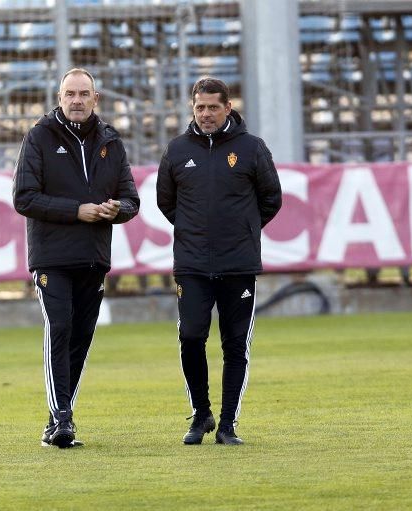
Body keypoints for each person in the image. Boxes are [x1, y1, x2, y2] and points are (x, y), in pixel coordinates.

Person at [13, 68, 140, 448]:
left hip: (93, 257)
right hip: (51, 256)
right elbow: (24, 198)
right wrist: (77, 210)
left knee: (81, 337)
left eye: (84, 94)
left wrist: (117, 209)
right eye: (70, 94)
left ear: (95, 98)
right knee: (60, 327)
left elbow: (132, 199)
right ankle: (63, 418)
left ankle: (56, 420)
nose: (77, 100)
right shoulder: (38, 137)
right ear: (59, 97)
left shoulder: (111, 141)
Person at [156, 77, 282, 445]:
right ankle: (201, 414)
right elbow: (168, 203)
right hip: (192, 264)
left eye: (213, 107)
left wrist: (243, 230)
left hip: (238, 264)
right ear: (191, 109)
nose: (206, 114)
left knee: (235, 344)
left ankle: (228, 425)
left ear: (228, 107)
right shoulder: (177, 150)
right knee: (191, 335)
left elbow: (271, 199)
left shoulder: (251, 148)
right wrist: (195, 232)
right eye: (200, 107)